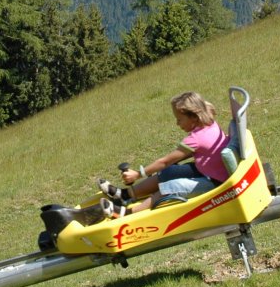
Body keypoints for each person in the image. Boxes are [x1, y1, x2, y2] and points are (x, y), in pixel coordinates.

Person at [97, 91, 230, 218]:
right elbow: (172, 162)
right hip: (211, 172)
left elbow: (164, 161)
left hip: (218, 185)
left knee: (170, 188)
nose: (177, 123)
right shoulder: (209, 123)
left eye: (179, 119)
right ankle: (125, 194)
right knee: (169, 172)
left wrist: (137, 174)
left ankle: (125, 213)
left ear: (193, 117)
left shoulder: (196, 139)